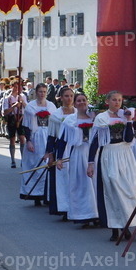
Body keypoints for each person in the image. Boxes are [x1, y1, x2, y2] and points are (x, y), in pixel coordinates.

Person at [87, 91, 136, 240]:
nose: (117, 103)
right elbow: (95, 141)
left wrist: (129, 121)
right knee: (112, 190)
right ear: (107, 101)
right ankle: (115, 228)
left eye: (119, 100)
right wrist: (90, 162)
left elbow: (129, 139)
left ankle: (126, 224)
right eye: (114, 100)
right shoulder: (101, 118)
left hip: (125, 154)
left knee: (129, 189)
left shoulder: (125, 115)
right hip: (109, 154)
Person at [51, 92, 98, 227]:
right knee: (81, 185)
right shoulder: (70, 120)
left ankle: (98, 215)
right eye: (79, 101)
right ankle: (84, 215)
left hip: (93, 154)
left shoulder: (94, 118)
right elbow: (62, 141)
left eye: (84, 100)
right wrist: (59, 158)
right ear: (75, 104)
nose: (82, 102)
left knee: (94, 184)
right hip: (78, 154)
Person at [19, 83, 57, 205]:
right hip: (36, 137)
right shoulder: (30, 107)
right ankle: (35, 195)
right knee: (35, 165)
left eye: (44, 91)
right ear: (36, 92)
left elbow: (56, 124)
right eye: (40, 91)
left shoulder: (51, 106)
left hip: (48, 135)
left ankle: (47, 194)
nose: (42, 94)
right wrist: (28, 140)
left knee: (48, 165)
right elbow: (26, 125)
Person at [46, 86, 77, 218]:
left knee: (76, 180)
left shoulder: (79, 113)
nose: (69, 99)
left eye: (71, 96)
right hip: (62, 150)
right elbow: (52, 136)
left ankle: (76, 207)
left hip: (76, 148)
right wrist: (50, 153)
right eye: (66, 96)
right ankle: (64, 207)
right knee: (63, 180)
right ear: (61, 98)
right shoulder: (56, 116)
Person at [3, 79, 27, 168]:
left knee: (22, 138)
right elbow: (5, 112)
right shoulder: (7, 99)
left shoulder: (22, 96)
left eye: (19, 87)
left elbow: (27, 108)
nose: (17, 89)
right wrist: (14, 106)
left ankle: (23, 159)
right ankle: (13, 160)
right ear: (11, 87)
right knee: (12, 139)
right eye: (15, 87)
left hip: (21, 118)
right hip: (12, 118)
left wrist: (22, 102)